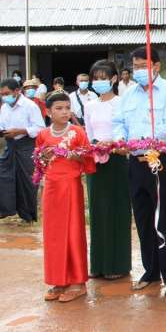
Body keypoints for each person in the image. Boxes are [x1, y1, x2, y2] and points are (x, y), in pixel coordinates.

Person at [112, 46, 166, 295]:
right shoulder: (128, 94)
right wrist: (120, 140)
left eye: (143, 66)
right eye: (135, 67)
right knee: (143, 216)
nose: (139, 71)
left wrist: (146, 141)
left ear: (156, 66)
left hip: (161, 159)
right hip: (135, 161)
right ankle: (151, 270)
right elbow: (118, 122)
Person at [37, 92, 96, 302]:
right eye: (59, 108)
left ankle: (78, 282)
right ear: (48, 112)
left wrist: (77, 156)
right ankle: (58, 280)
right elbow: (39, 162)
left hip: (70, 186)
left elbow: (89, 160)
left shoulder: (77, 132)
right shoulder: (43, 134)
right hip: (51, 187)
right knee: (53, 234)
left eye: (67, 108)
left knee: (73, 232)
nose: (64, 112)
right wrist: (43, 157)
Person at [84, 60, 131, 281]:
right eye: (95, 78)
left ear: (113, 79)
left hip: (117, 160)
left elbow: (127, 132)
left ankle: (118, 264)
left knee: (117, 209)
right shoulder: (89, 105)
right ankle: (98, 264)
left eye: (103, 78)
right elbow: (88, 133)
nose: (98, 82)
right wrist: (94, 146)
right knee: (97, 211)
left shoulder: (122, 103)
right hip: (95, 161)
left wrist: (114, 144)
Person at [0, 78, 45, 221]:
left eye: (7, 93)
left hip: (26, 146)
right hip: (10, 145)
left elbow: (40, 128)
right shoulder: (4, 108)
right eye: (2, 94)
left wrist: (20, 131)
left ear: (17, 91)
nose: (4, 97)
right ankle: (6, 209)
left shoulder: (30, 106)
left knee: (27, 180)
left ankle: (28, 215)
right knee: (4, 175)